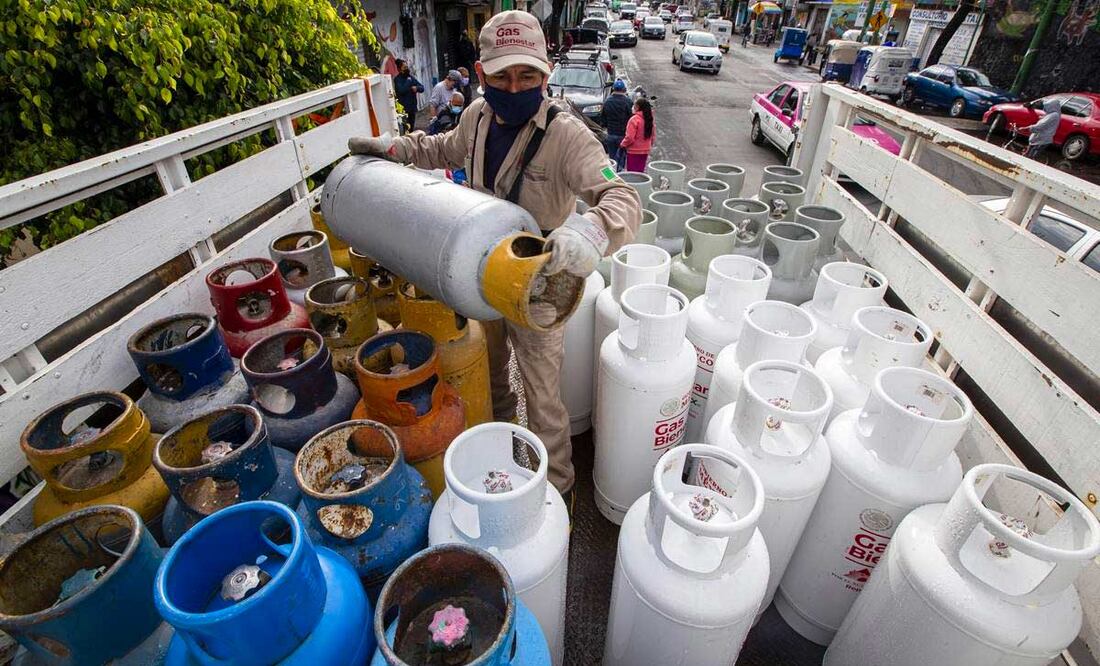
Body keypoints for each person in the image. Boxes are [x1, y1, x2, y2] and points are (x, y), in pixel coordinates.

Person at [348, 10, 641, 511]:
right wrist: (394, 148)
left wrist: (589, 232)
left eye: (527, 75)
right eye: (502, 75)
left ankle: (557, 493)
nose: (515, 85)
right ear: (481, 74)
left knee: (543, 393)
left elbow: (622, 197)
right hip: (481, 276)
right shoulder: (477, 118)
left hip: (539, 282)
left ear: (545, 75)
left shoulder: (567, 135)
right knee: (494, 374)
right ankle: (507, 455)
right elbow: (441, 148)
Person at [601, 79, 633, 171]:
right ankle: (620, 179)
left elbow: (603, 119)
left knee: (612, 161)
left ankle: (611, 179)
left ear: (613, 89)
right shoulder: (628, 102)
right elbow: (631, 118)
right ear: (624, 89)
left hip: (611, 134)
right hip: (623, 136)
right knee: (621, 162)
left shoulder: (607, 102)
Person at [620, 97, 655, 172]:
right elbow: (652, 136)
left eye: (635, 105)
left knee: (632, 173)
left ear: (638, 107)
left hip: (633, 151)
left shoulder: (634, 119)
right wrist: (648, 145)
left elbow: (630, 137)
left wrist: (623, 144)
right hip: (645, 150)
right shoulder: (649, 119)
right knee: (640, 172)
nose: (633, 107)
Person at [392, 59, 424, 133]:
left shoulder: (410, 77)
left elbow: (422, 88)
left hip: (412, 108)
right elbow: (401, 90)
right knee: (405, 129)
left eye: (407, 67)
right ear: (399, 69)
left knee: (411, 128)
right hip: (404, 109)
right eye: (404, 67)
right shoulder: (398, 79)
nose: (407, 69)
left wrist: (416, 88)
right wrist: (408, 81)